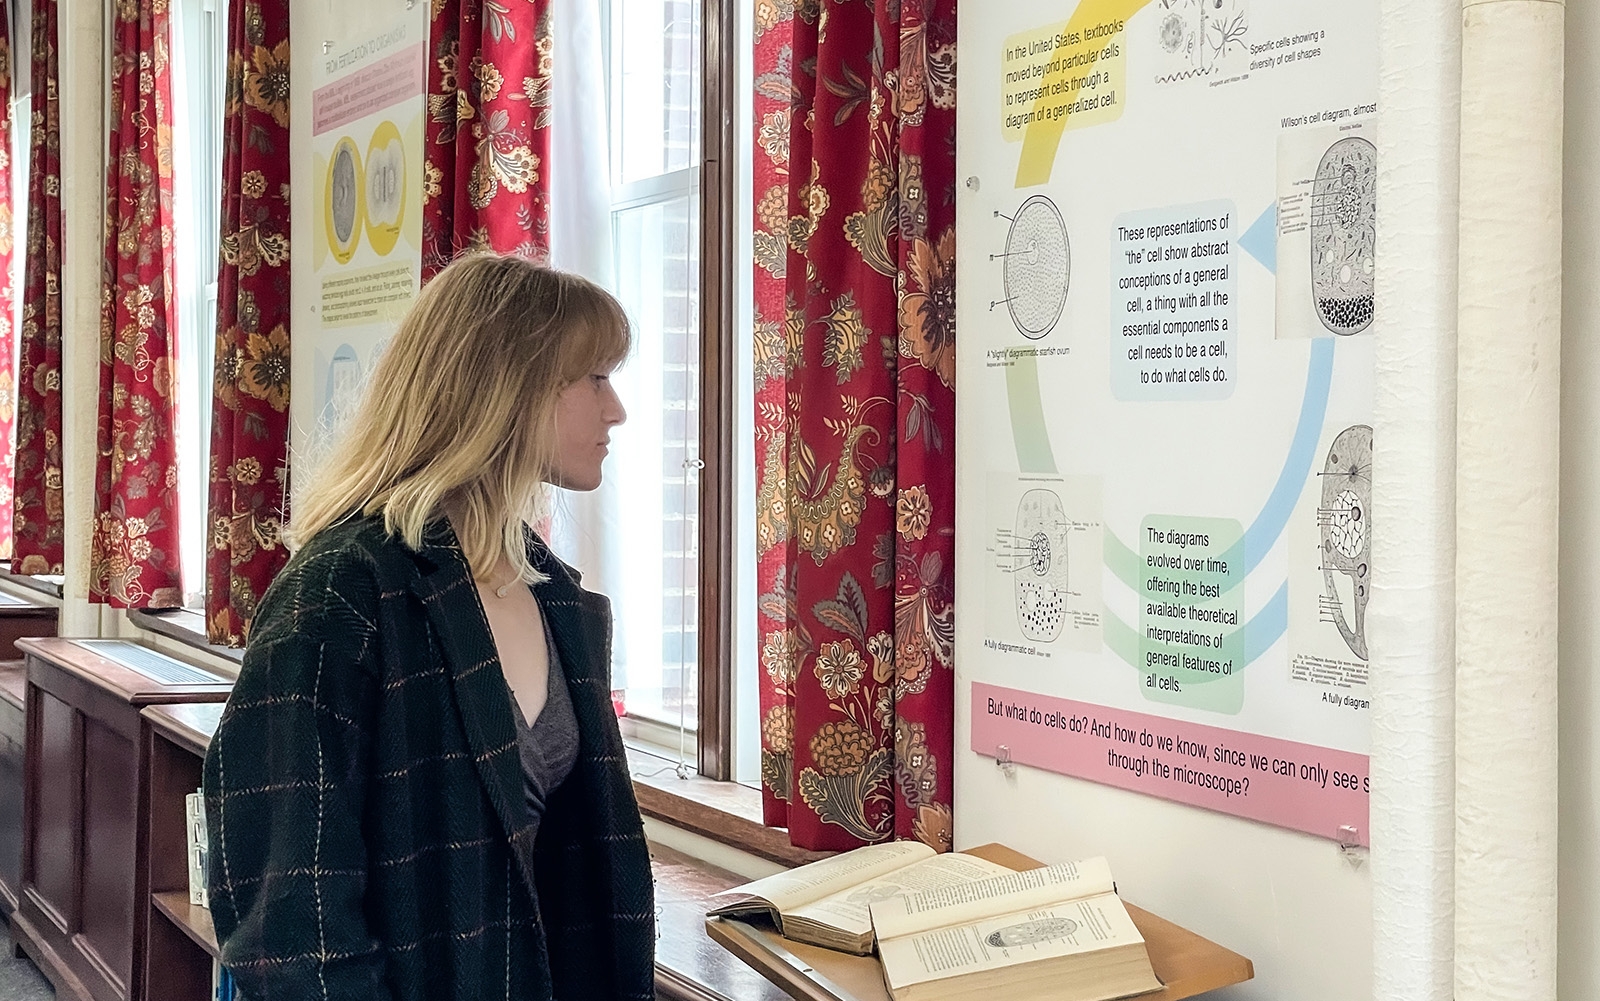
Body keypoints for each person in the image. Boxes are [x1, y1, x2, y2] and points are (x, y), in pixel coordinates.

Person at [202, 253, 655, 1001]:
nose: (617, 411)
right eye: (596, 379)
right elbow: (292, 923)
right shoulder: (341, 590)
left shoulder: (555, 598)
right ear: (507, 386)